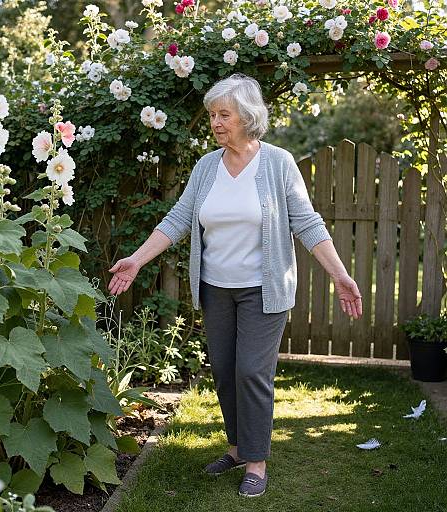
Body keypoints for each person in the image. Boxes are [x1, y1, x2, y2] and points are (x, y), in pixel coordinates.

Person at [108, 73, 363, 498]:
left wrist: (339, 274)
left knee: (251, 372)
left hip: (264, 290)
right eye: (212, 115)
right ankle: (238, 448)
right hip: (216, 288)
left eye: (223, 114)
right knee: (225, 373)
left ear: (247, 116)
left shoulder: (278, 163)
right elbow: (178, 219)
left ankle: (257, 461)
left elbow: (306, 222)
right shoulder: (207, 167)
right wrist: (136, 258)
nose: (216, 122)